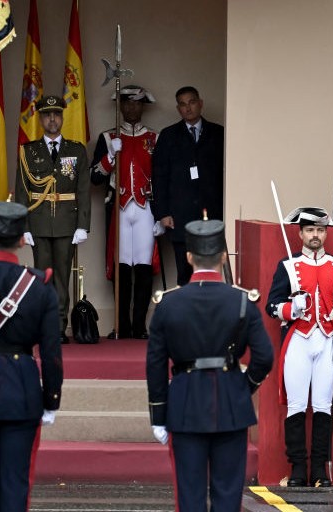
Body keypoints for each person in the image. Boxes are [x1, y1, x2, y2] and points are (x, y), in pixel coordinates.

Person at [145, 217, 273, 511]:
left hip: (185, 403)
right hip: (231, 401)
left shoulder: (168, 303)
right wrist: (244, 386)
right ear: (224, 256)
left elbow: (155, 364)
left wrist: (158, 414)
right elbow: (264, 356)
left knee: (189, 496)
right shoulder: (242, 301)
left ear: (189, 257)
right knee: (228, 494)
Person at [267, 207, 333, 488]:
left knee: (323, 406)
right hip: (297, 340)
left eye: (319, 230)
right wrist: (290, 308)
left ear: (326, 233)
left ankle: (319, 470)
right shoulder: (287, 266)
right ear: (300, 233)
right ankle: (297, 469)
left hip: (328, 339)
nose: (315, 235)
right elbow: (271, 306)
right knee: (296, 406)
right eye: (310, 230)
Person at [0, 201, 62, 511]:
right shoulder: (40, 287)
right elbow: (52, 353)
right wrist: (51, 400)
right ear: (21, 240)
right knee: (17, 485)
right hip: (22, 392)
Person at [14, 95, 91, 343]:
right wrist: (23, 225)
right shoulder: (28, 151)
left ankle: (58, 326)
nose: (52, 119)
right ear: (40, 118)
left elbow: (83, 191)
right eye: (47, 115)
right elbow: (22, 189)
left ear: (62, 117)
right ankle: (43, 324)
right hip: (38, 221)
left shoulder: (76, 150)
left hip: (67, 222)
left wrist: (83, 225)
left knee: (61, 275)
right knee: (41, 276)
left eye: (56, 114)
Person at [90, 85, 161, 339]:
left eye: (137, 103)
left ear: (143, 106)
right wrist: (110, 155)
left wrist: (162, 214)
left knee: (143, 268)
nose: (132, 108)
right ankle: (121, 326)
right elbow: (95, 178)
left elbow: (162, 178)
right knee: (120, 269)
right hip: (118, 209)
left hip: (146, 210)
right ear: (120, 106)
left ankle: (140, 326)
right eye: (127, 103)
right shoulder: (108, 138)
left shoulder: (154, 138)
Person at [151, 86, 225, 285]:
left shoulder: (219, 133)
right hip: (179, 215)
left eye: (192, 102)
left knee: (211, 272)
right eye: (183, 104)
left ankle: (209, 315)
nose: (188, 108)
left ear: (200, 103)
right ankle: (187, 314)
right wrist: (162, 213)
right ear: (178, 109)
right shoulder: (168, 136)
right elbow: (159, 176)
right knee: (185, 273)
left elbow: (227, 174)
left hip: (212, 214)